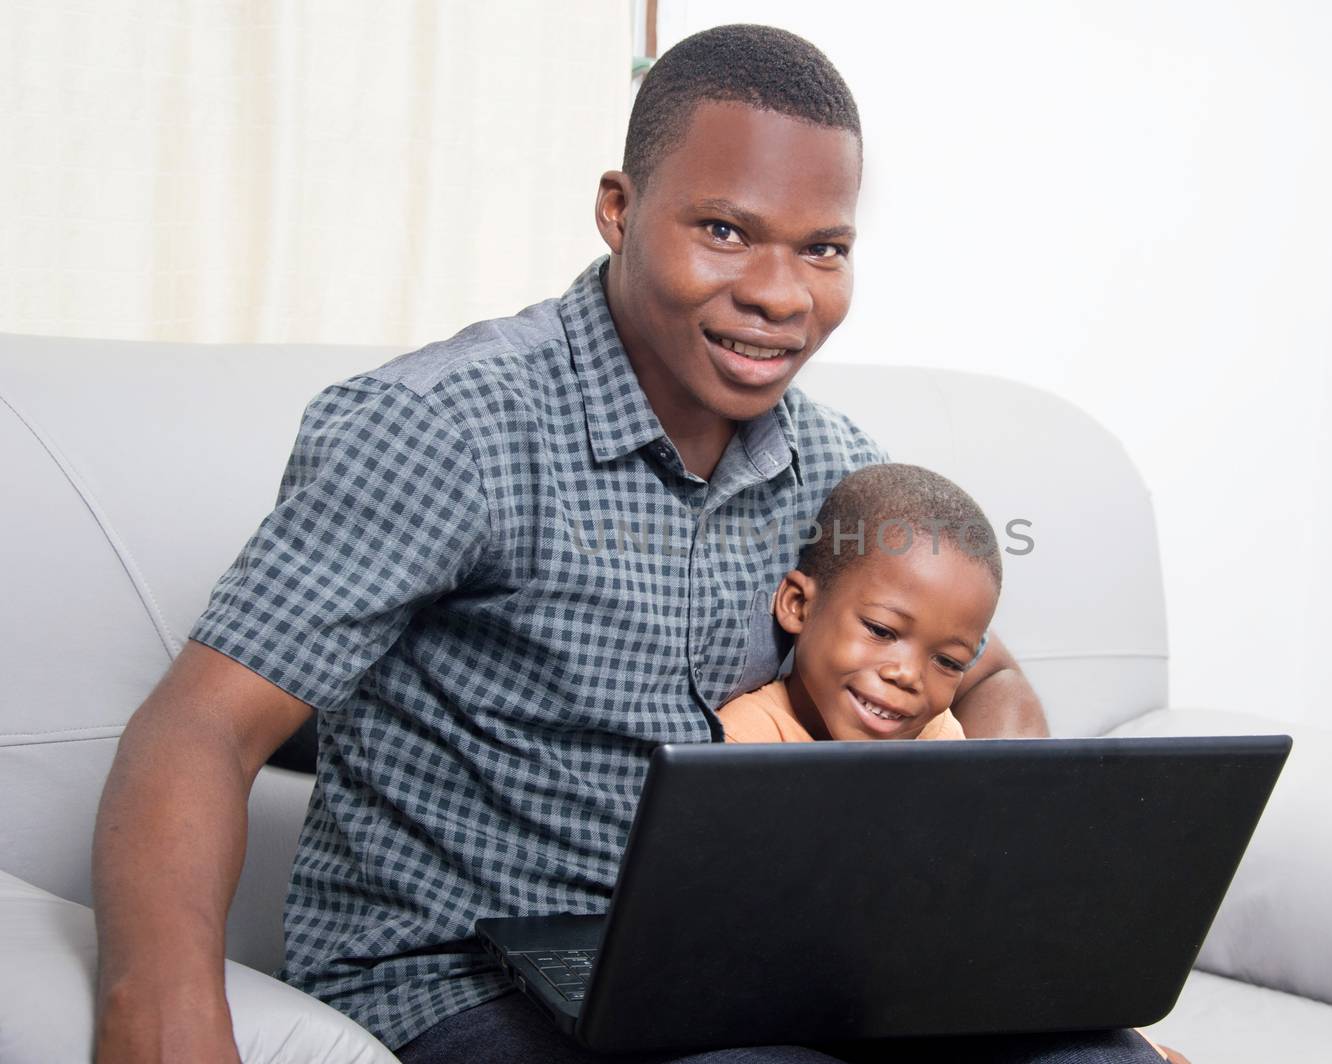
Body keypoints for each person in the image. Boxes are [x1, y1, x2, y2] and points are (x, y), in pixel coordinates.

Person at [90, 24, 1175, 1064]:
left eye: (824, 249)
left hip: (758, 966)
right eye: (724, 230)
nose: (778, 293)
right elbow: (198, 728)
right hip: (467, 978)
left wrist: (993, 877)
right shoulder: (449, 426)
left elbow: (979, 665)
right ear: (619, 209)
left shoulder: (842, 470)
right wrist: (165, 1001)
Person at [719, 464, 993, 745]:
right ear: (798, 604)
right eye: (881, 631)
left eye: (948, 662)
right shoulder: (745, 743)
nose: (908, 675)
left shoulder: (940, 737)